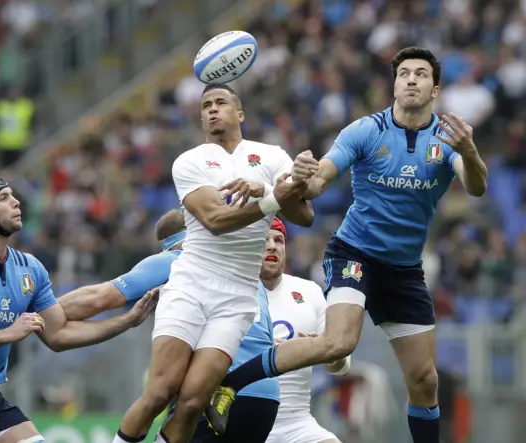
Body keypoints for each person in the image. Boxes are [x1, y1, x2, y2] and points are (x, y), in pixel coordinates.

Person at [206, 46, 489, 443]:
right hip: (354, 254)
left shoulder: (447, 140)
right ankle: (229, 385)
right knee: (339, 342)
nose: (411, 79)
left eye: (421, 74)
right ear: (394, 83)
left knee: (425, 380)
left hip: (404, 270)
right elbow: (319, 182)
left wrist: (470, 151)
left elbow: (476, 187)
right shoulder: (365, 130)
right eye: (404, 73)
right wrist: (304, 176)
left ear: (435, 89)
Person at [112, 83, 315, 443]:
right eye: (206, 105)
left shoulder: (272, 156)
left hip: (237, 296)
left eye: (221, 102)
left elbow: (305, 214)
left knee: (193, 402)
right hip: (192, 283)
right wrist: (270, 201)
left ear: (240, 114)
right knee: (160, 392)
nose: (212, 109)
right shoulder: (189, 161)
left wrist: (269, 188)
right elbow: (216, 221)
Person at [0, 174, 157, 443]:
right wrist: (7, 333)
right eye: (4, 198)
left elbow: (58, 336)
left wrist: (126, 321)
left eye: (13, 196)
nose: (16, 203)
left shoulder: (29, 268)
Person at [59, 209, 283, 442]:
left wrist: (45, 306)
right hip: (266, 399)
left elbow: (100, 297)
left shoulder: (179, 261)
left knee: (158, 395)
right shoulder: (248, 275)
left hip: (216, 396)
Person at [261, 218, 344, 443]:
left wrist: (325, 350)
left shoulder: (309, 291)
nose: (272, 246)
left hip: (296, 423)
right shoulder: (233, 293)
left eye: (279, 240)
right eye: (264, 240)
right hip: (243, 423)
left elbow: (341, 367)